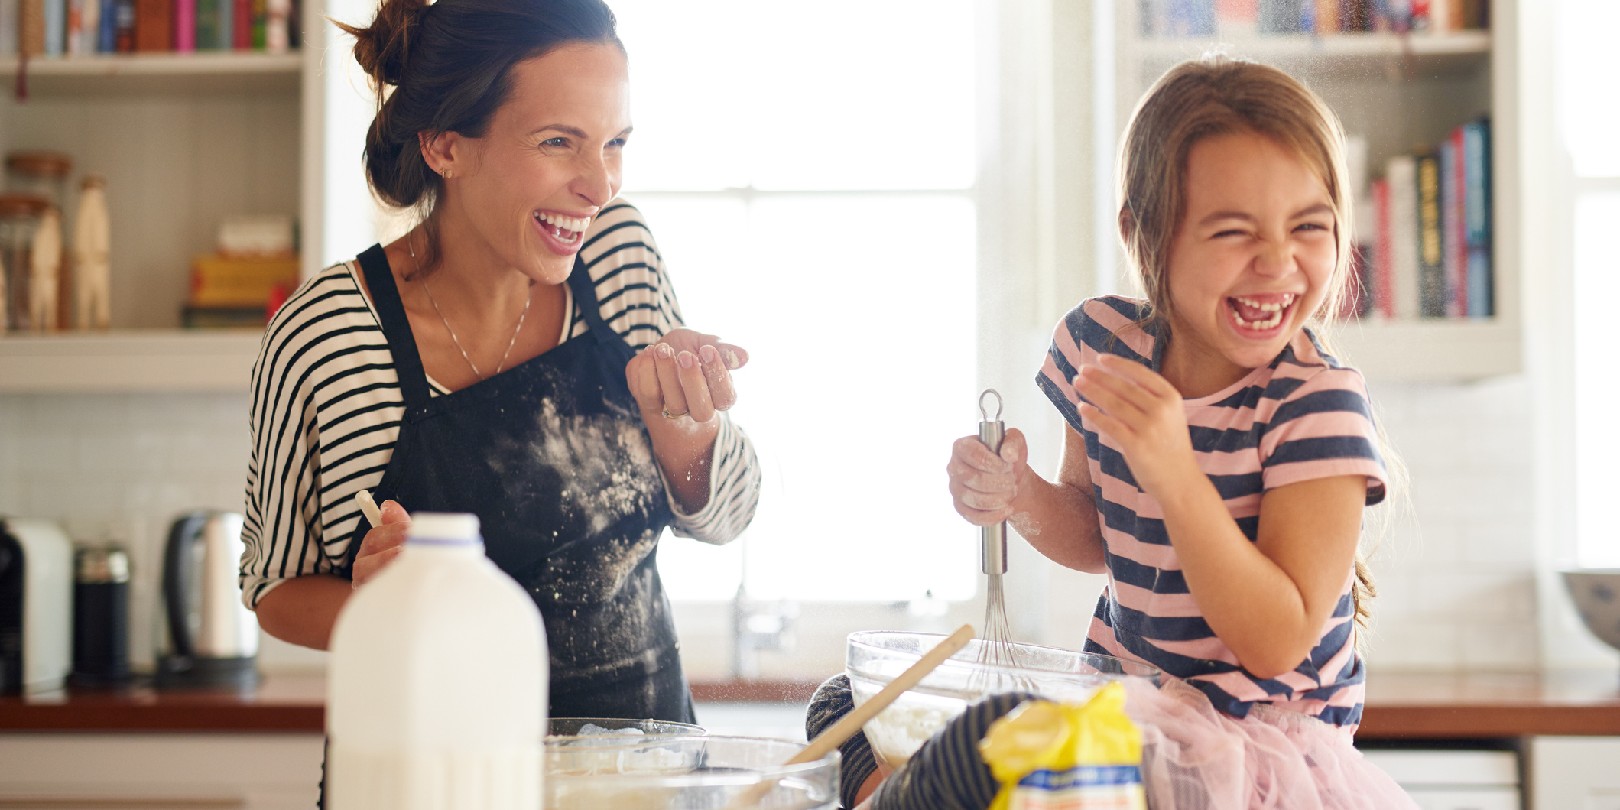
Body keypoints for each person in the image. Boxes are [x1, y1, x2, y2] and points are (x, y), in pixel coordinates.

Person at [806, 56, 1417, 809]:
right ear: (1143, 234)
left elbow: (1276, 641)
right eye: (1233, 231)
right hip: (1134, 707)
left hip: (1253, 753)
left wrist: (1175, 473)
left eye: (1309, 228)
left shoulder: (1315, 406)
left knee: (982, 744)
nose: (1277, 262)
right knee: (849, 708)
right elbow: (1097, 534)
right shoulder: (1103, 346)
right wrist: (1019, 495)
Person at [240, 0, 760, 727]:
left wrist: (684, 426)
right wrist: (376, 606)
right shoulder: (330, 335)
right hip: (430, 779)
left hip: (639, 779)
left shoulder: (619, 261)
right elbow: (274, 589)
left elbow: (729, 516)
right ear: (445, 146)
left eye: (614, 143)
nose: (599, 184)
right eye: (558, 142)